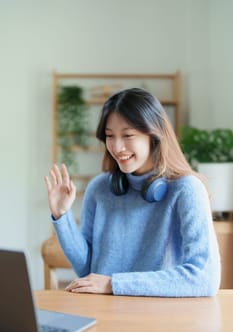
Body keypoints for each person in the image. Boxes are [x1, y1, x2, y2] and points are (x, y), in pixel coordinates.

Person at [45, 88, 221, 297]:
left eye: (128, 135)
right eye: (110, 136)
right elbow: (88, 271)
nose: (117, 147)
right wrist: (61, 216)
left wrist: (114, 284)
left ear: (153, 135)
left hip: (160, 317)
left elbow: (204, 278)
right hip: (104, 312)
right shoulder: (100, 188)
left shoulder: (186, 190)